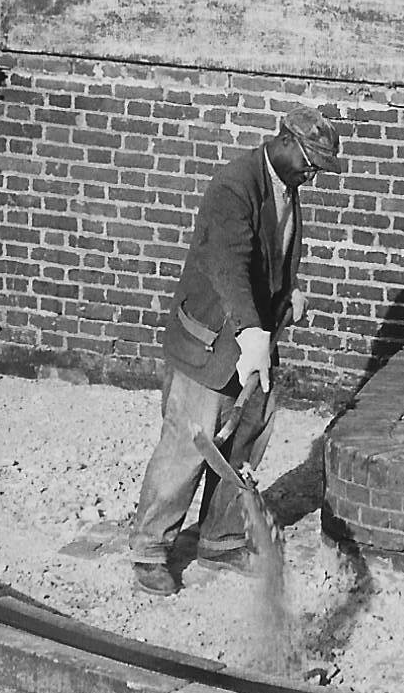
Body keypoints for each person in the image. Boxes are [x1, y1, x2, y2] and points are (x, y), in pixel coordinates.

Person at [128, 103, 344, 596]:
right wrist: (251, 333)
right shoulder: (234, 187)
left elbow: (269, 259)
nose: (312, 175)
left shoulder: (285, 187)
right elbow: (229, 266)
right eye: (309, 162)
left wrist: (286, 299)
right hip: (212, 339)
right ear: (284, 141)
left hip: (254, 339)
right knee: (189, 442)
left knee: (244, 441)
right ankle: (149, 549)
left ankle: (220, 538)